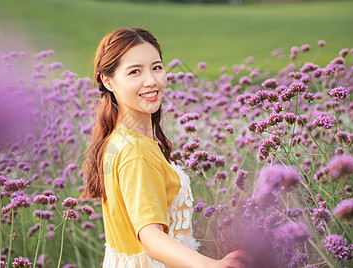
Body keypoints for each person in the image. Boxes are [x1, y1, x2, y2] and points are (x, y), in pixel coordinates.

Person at [81, 28, 250, 268]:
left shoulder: (118, 140)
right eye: (135, 71)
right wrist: (214, 266)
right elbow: (152, 239)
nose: (151, 81)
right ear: (108, 81)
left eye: (157, 67)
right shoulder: (135, 151)